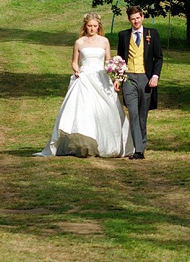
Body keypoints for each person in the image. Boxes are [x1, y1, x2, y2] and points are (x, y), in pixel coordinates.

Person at [36, 12, 133, 158]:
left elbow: (108, 61)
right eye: (89, 26)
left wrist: (115, 73)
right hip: (85, 77)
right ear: (85, 26)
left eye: (95, 26)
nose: (92, 29)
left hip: (101, 78)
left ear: (98, 26)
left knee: (104, 109)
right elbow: (74, 62)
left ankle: (105, 143)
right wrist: (76, 70)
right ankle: (86, 145)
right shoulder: (79, 42)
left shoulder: (104, 41)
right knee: (85, 110)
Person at [116, 5, 162, 160]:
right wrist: (118, 78)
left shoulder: (152, 34)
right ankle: (138, 150)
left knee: (143, 114)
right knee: (133, 113)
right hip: (129, 78)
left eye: (137, 18)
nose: (135, 21)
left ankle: (141, 145)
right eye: (132, 19)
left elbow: (158, 58)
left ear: (142, 17)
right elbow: (120, 60)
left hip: (146, 78)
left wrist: (155, 76)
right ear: (129, 20)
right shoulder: (123, 35)